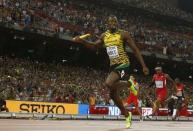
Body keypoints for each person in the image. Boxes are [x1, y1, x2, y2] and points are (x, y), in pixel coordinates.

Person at [73, 15, 149, 128]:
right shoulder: (104, 35)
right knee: (112, 94)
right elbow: (94, 47)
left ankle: (129, 83)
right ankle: (126, 114)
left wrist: (144, 65)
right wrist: (82, 41)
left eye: (115, 21)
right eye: (110, 21)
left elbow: (135, 50)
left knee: (108, 83)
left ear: (117, 23)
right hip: (113, 66)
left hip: (124, 63)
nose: (113, 22)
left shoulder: (124, 34)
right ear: (107, 24)